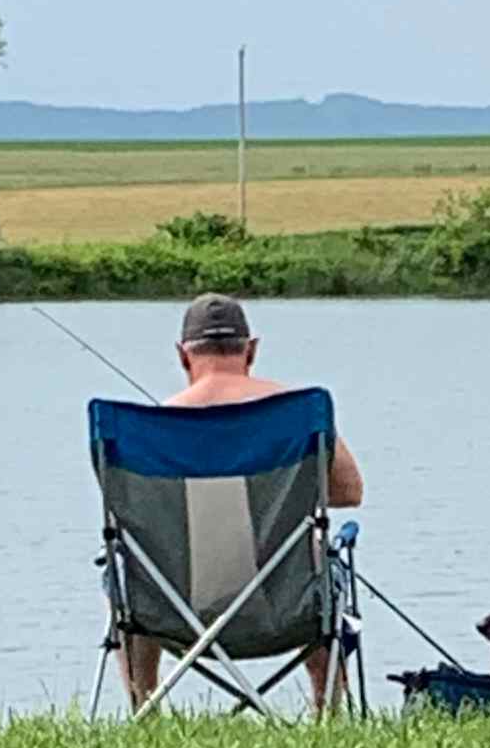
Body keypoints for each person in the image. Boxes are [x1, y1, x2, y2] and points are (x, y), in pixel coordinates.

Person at [115, 293, 364, 714]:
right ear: (251, 350)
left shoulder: (154, 428)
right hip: (286, 609)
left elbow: (129, 512)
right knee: (317, 554)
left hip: (173, 612)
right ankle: (328, 711)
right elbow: (349, 492)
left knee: (130, 571)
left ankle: (145, 708)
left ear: (182, 356)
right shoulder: (300, 414)